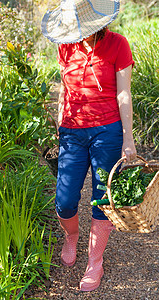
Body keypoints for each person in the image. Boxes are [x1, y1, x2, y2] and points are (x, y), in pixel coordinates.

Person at [41, 0, 137, 292]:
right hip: (72, 131)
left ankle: (95, 262)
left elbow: (124, 94)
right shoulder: (65, 47)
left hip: (107, 132)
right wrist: (60, 121)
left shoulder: (118, 45)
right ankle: (72, 237)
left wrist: (128, 139)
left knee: (100, 197)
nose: (74, 33)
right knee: (65, 200)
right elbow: (65, 87)